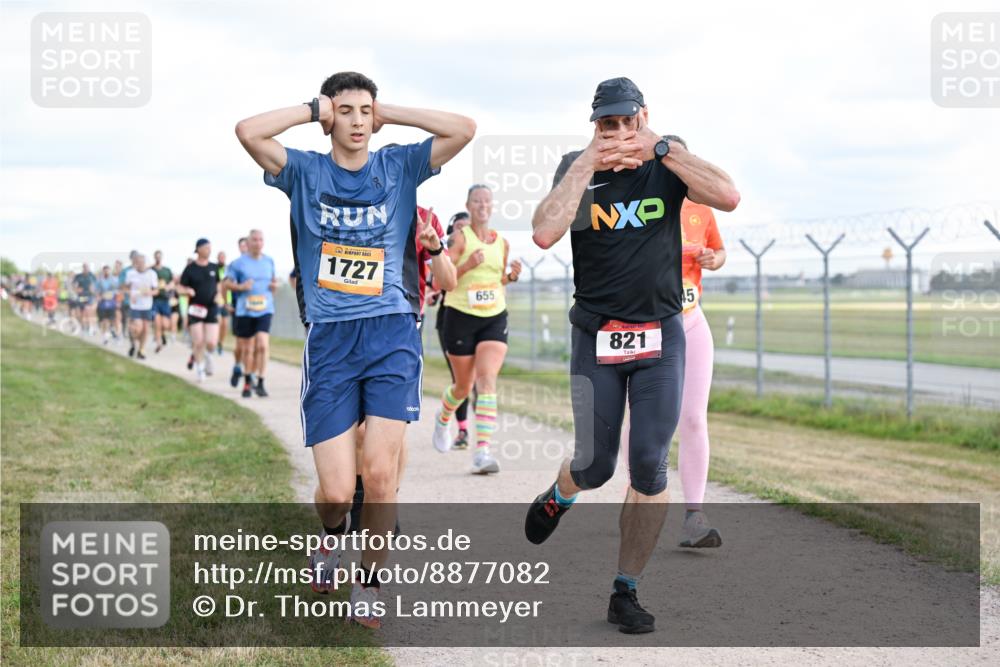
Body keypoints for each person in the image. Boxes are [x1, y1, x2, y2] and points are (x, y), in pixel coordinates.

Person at [236, 70, 472, 628]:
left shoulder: (398, 166)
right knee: (339, 493)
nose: (358, 121)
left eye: (365, 111)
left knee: (382, 476)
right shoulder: (305, 171)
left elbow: (464, 129)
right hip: (332, 340)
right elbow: (247, 131)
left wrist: (392, 112)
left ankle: (367, 583)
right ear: (329, 117)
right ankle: (329, 542)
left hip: (391, 333)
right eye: (345, 111)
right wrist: (308, 109)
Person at [523, 77, 739, 634]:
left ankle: (626, 590)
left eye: (627, 122)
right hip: (596, 336)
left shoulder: (666, 163)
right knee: (596, 467)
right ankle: (560, 493)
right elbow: (545, 232)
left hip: (661, 337)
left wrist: (664, 149)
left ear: (644, 118)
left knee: (648, 464)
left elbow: (729, 196)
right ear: (593, 126)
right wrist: (583, 167)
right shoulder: (577, 167)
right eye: (606, 124)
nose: (618, 133)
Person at [432, 186, 521, 475]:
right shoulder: (459, 239)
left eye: (487, 201)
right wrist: (468, 263)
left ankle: (482, 451)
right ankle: (444, 417)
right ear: (468, 205)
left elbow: (495, 280)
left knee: (486, 381)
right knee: (463, 386)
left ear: (492, 206)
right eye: (477, 201)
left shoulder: (502, 243)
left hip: (494, 317)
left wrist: (510, 277)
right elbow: (442, 282)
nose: (482, 205)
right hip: (459, 317)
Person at [676, 191, 727, 547]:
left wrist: (713, 258)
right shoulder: (642, 203)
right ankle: (637, 501)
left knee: (694, 418)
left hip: (691, 318)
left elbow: (720, 251)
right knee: (643, 418)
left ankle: (695, 515)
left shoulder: (701, 209)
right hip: (645, 326)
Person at [432, 212, 476, 450]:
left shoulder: (483, 249)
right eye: (458, 226)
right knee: (461, 380)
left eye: (466, 227)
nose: (462, 231)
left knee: (480, 378)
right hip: (451, 319)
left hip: (482, 319)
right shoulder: (447, 253)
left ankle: (480, 437)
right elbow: (437, 282)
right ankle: (462, 430)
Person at [225, 229, 277, 398]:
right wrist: (241, 287)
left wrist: (273, 288)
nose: (258, 243)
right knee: (247, 349)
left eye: (261, 239)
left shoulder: (269, 261)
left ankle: (261, 381)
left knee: (262, 344)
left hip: (265, 309)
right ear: (248, 242)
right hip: (245, 310)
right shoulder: (237, 263)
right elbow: (227, 284)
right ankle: (247, 381)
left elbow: (272, 282)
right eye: (254, 240)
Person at [179, 239, 221, 382]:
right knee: (198, 342)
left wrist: (219, 294)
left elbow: (219, 285)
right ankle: (200, 369)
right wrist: (187, 290)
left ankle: (208, 355)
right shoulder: (190, 268)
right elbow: (180, 287)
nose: (209, 250)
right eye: (206, 248)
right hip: (195, 308)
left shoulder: (214, 267)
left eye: (210, 247)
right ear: (198, 249)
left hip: (211, 307)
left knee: (211, 342)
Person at [123, 253, 159, 359]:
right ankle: (133, 344)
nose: (140, 264)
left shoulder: (152, 274)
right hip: (135, 305)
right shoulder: (130, 273)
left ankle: (141, 350)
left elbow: (156, 290)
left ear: (145, 263)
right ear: (135, 263)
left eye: (142, 262)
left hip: (147, 305)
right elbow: (125, 288)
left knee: (145, 329)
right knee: (137, 329)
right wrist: (130, 295)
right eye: (138, 263)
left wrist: (150, 293)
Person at [150, 250, 174, 352]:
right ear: (154, 257)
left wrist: (168, 287)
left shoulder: (167, 270)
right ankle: (159, 343)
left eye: (160, 256)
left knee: (165, 324)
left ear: (162, 257)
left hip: (164, 300)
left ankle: (162, 334)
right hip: (154, 300)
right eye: (156, 257)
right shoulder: (150, 270)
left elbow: (173, 282)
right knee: (157, 322)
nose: (158, 258)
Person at [95, 265, 119, 344]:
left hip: (111, 303)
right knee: (104, 321)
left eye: (108, 270)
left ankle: (111, 332)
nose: (106, 272)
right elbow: (96, 291)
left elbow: (117, 291)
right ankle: (105, 337)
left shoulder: (114, 280)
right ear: (103, 271)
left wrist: (117, 300)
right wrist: (98, 296)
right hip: (102, 304)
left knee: (111, 320)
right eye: (105, 271)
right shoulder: (100, 281)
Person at [72, 263, 97, 335]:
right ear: (83, 268)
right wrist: (76, 289)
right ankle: (82, 326)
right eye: (84, 267)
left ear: (88, 268)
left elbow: (96, 285)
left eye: (87, 267)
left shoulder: (92, 276)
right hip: (81, 296)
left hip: (90, 296)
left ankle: (91, 327)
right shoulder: (78, 276)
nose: (86, 269)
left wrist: (93, 290)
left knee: (89, 310)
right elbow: (73, 285)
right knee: (80, 312)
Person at [216, 251, 230, 355]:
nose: (222, 258)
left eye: (223, 257)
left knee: (225, 325)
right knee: (218, 322)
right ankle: (214, 342)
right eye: (220, 257)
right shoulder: (214, 269)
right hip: (217, 300)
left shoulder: (228, 269)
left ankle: (220, 344)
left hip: (227, 301)